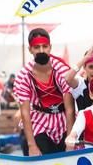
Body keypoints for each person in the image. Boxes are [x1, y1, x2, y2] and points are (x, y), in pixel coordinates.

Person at [13, 28, 74, 156]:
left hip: (64, 119)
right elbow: (25, 112)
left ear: (50, 47)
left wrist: (70, 139)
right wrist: (32, 146)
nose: (41, 51)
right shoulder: (23, 76)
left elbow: (70, 109)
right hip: (39, 121)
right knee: (38, 157)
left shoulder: (62, 70)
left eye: (45, 46)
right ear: (30, 49)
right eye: (36, 47)